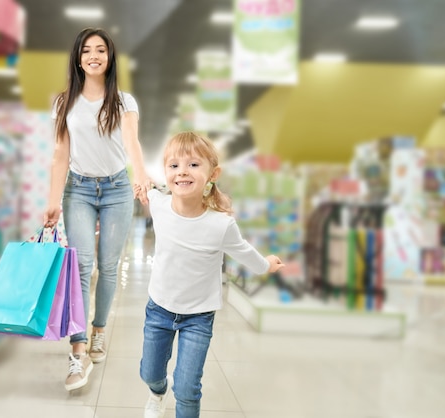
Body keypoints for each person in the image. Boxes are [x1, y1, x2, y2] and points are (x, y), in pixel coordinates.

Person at [136, 132, 284, 418]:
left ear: (212, 173)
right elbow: (145, 188)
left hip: (198, 316)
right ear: (166, 172)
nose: (182, 172)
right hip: (159, 309)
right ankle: (157, 392)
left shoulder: (221, 225)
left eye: (193, 165)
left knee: (188, 388)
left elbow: (244, 252)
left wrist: (266, 265)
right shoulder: (157, 204)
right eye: (174, 165)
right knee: (149, 373)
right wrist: (141, 185)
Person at [43, 27, 151, 392]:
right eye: (86, 50)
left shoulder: (124, 101)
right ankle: (78, 350)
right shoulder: (63, 103)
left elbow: (132, 143)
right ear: (78, 57)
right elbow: (60, 155)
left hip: (118, 188)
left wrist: (142, 178)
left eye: (100, 50)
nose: (93, 55)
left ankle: (99, 329)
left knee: (108, 265)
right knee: (81, 265)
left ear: (109, 58)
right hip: (79, 189)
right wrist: (52, 200)